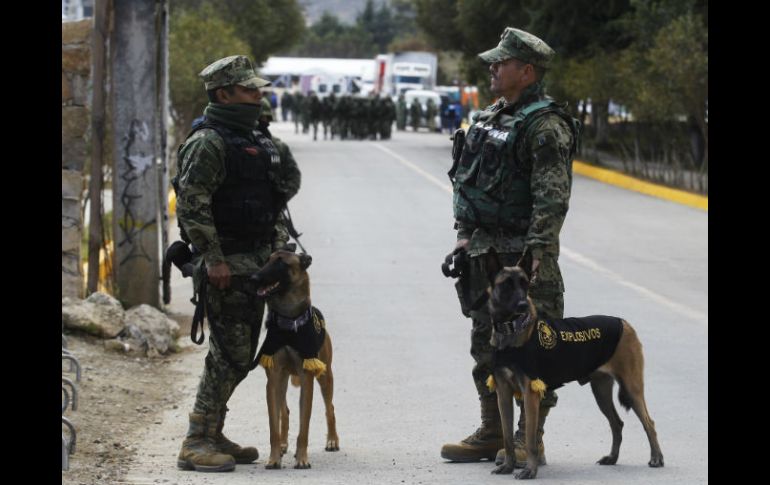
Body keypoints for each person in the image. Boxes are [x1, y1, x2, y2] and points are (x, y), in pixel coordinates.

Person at [440, 27, 581, 467]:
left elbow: (551, 195)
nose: (492, 68)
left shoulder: (545, 126)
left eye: (501, 63)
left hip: (523, 259)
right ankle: (492, 430)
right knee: (487, 345)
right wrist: (463, 234)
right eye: (493, 62)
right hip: (483, 254)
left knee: (536, 349)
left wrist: (539, 252)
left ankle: (528, 438)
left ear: (527, 70)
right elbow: (465, 179)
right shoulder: (490, 117)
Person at [173, 55, 301, 473]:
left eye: (257, 89)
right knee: (231, 352)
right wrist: (212, 259)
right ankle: (196, 439)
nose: (257, 96)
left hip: (257, 265)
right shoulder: (208, 142)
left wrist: (280, 245)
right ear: (223, 94)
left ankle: (213, 430)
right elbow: (193, 205)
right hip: (225, 263)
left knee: (240, 354)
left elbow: (274, 200)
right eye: (248, 90)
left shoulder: (256, 140)